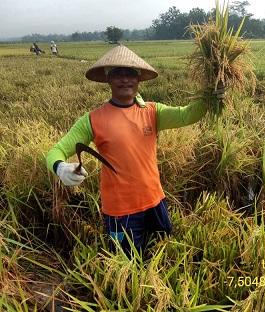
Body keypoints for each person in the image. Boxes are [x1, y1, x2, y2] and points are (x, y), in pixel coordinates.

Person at [46, 45, 224, 257]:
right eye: (117, 74)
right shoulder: (93, 120)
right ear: (108, 79)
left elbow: (187, 115)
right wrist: (62, 168)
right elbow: (55, 151)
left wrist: (210, 95)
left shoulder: (152, 111)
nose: (125, 79)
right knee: (127, 265)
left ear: (138, 79)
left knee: (160, 254)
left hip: (155, 201)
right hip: (121, 211)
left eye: (130, 73)